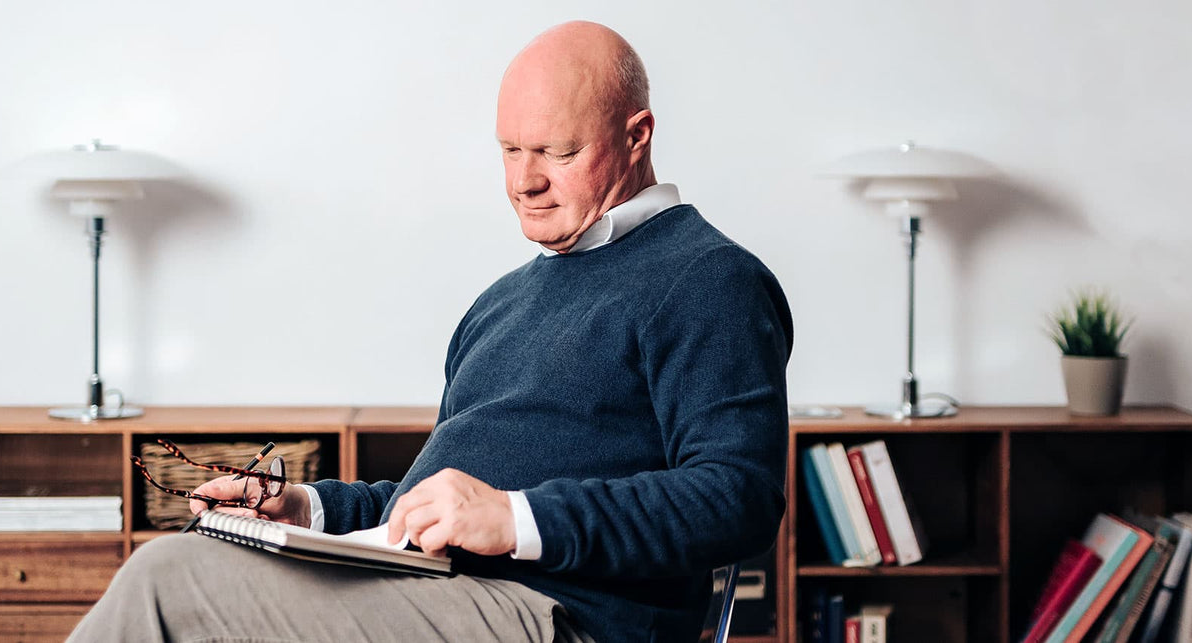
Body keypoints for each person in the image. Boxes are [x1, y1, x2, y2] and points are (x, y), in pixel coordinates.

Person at [68, 20, 793, 643]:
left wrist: (515, 519)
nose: (524, 182)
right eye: (510, 149)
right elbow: (424, 509)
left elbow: (739, 497)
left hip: (558, 616)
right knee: (206, 553)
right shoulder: (502, 302)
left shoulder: (705, 278)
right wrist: (308, 508)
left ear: (636, 136)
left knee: (168, 582)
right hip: (436, 588)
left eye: (557, 152)